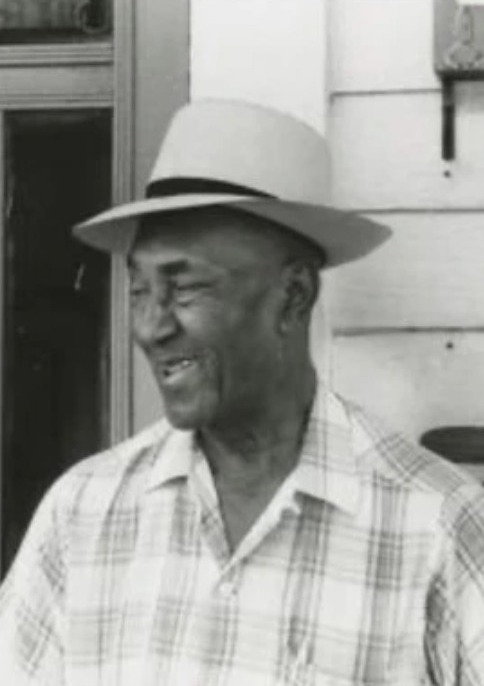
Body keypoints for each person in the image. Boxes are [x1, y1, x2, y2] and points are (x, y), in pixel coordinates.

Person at [1, 99, 483, 686]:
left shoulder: (438, 525)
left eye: (185, 288)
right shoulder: (82, 514)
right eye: (140, 290)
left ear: (294, 297)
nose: (151, 327)